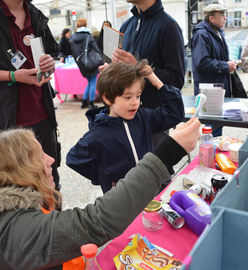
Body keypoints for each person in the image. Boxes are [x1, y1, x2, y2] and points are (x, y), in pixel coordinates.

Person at [0, 117, 200, 269]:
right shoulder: (17, 232)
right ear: (19, 170)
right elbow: (93, 222)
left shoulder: (25, 209)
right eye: (39, 156)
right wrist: (168, 152)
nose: (51, 159)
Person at [66, 60, 185, 193]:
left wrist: (154, 79)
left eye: (138, 96)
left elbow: (174, 113)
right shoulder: (99, 133)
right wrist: (105, 177)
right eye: (128, 97)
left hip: (151, 189)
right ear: (107, 99)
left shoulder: (143, 117)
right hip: (123, 200)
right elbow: (74, 159)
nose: (135, 103)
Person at [0, 0, 61, 190]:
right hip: (8, 123)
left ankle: (53, 217)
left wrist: (50, 62)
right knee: (17, 186)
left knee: (50, 179)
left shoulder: (35, 14)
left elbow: (52, 51)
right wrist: (12, 76)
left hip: (43, 116)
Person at [112, 0, 186, 148]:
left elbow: (176, 79)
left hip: (153, 121)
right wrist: (112, 70)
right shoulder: (126, 26)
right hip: (124, 118)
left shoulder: (168, 26)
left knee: (153, 170)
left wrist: (139, 68)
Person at [191, 3, 237, 136]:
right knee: (212, 127)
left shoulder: (217, 32)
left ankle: (213, 153)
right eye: (222, 15)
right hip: (209, 90)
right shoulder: (202, 34)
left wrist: (228, 65)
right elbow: (202, 62)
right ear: (211, 18)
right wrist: (225, 66)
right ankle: (209, 154)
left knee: (217, 125)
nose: (225, 18)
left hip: (217, 87)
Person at [71, 18, 102, 109]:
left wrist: (79, 63)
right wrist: (102, 61)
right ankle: (91, 104)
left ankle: (84, 102)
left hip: (81, 63)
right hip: (91, 63)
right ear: (85, 24)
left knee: (89, 82)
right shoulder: (88, 36)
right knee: (92, 83)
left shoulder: (73, 37)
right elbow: (96, 50)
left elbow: (73, 52)